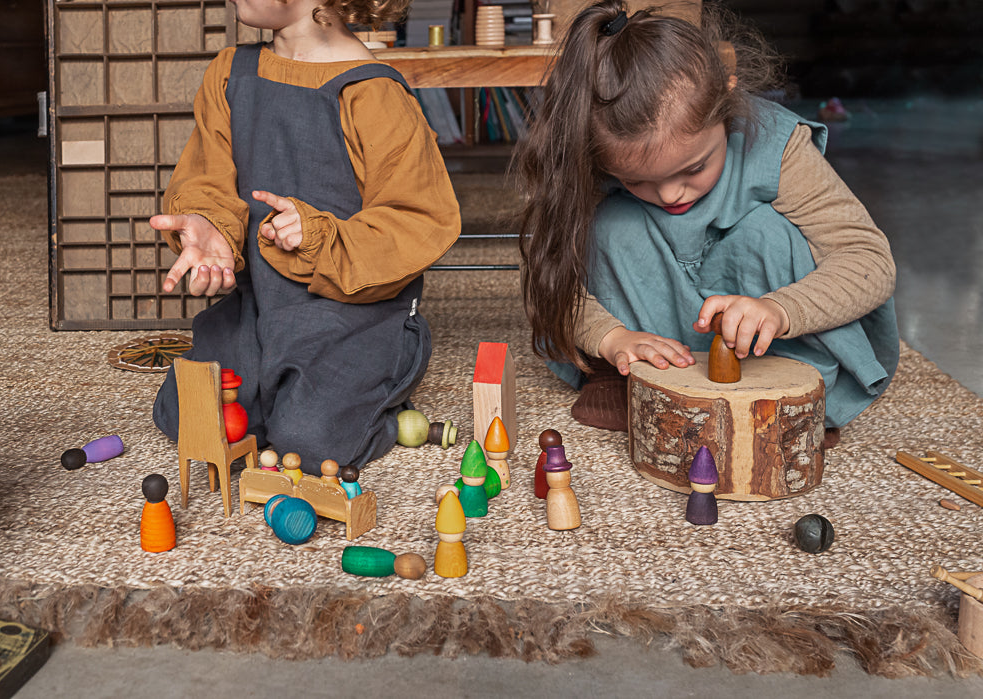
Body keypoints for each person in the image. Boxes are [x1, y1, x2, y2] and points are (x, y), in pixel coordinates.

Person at [512, 1, 899, 444]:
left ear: (728, 102)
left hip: (778, 334)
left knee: (764, 232)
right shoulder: (587, 158)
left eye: (694, 168)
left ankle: (796, 390)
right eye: (638, 180)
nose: (672, 194)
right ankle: (624, 376)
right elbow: (545, 276)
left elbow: (869, 259)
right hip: (651, 343)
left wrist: (781, 309)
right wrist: (611, 339)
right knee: (613, 225)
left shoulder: (777, 144)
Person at [148, 0, 461, 472]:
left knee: (306, 444)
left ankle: (387, 402)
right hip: (259, 305)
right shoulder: (231, 73)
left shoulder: (374, 91)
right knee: (191, 417)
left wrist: (319, 237)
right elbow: (207, 175)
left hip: (351, 315)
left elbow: (418, 218)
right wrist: (209, 224)